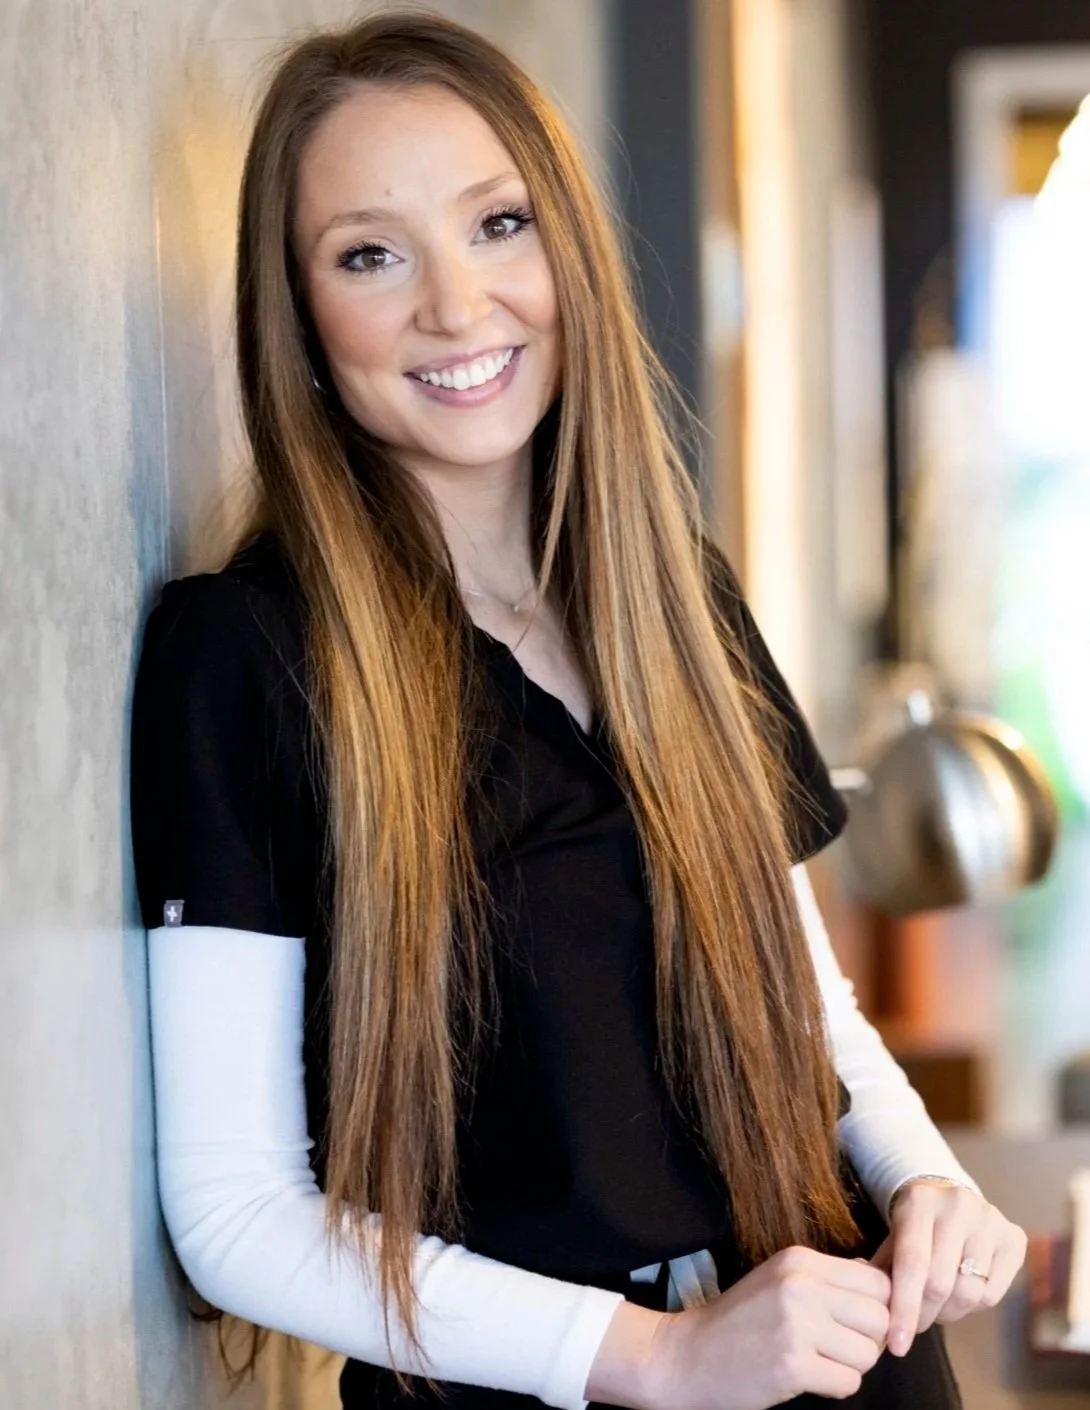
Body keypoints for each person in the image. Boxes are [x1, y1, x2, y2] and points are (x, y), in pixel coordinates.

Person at [129, 13, 1026, 1410]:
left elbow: (808, 1015)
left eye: (496, 225)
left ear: (568, 253)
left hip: (851, 1356)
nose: (455, 304)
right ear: (298, 316)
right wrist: (660, 1357)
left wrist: (927, 1182)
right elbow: (235, 1213)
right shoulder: (243, 658)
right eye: (370, 254)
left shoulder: (677, 600)